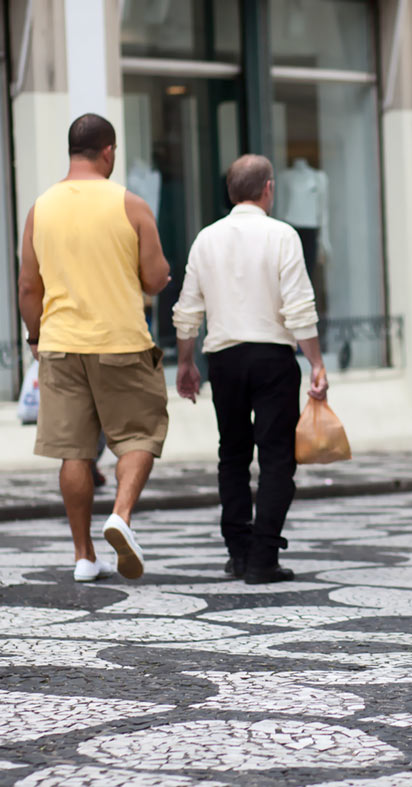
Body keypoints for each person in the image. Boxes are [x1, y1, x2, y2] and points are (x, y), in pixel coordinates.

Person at [18, 113, 171, 583]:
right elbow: (154, 278)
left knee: (74, 452)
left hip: (61, 345)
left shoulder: (40, 208)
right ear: (108, 151)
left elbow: (28, 287)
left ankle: (84, 556)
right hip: (121, 341)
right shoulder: (131, 205)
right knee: (140, 434)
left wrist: (36, 338)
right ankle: (121, 515)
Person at [173, 154, 328, 585]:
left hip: (224, 359)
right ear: (268, 189)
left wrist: (186, 362)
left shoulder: (206, 238)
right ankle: (263, 557)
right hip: (273, 359)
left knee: (233, 455)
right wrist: (315, 361)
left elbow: (188, 311)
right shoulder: (283, 235)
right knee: (277, 459)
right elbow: (298, 305)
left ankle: (239, 552)